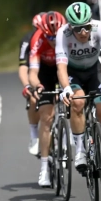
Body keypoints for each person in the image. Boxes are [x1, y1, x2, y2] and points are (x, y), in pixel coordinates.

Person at [55, 2, 101, 181]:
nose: (83, 32)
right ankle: (81, 151)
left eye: (87, 27)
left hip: (94, 71)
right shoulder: (63, 33)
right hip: (73, 73)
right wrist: (66, 89)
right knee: (77, 102)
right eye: (78, 28)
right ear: (70, 27)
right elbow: (61, 67)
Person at [28, 11, 66, 187]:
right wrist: (38, 86)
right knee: (46, 116)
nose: (52, 39)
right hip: (45, 72)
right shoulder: (38, 39)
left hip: (64, 68)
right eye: (49, 36)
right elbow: (33, 73)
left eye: (55, 36)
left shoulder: (67, 35)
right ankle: (44, 166)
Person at [18, 12, 46, 156]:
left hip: (51, 71)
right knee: (34, 98)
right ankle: (34, 134)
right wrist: (26, 85)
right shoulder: (28, 40)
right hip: (34, 73)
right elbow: (23, 66)